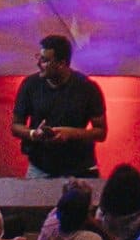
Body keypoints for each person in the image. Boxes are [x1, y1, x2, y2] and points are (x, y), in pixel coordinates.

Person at [12, 30, 108, 181]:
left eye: (45, 60)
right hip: (40, 167)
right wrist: (33, 134)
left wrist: (70, 133)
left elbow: (101, 132)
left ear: (62, 63)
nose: (39, 64)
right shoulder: (30, 85)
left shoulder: (87, 88)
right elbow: (16, 126)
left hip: (80, 168)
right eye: (39, 57)